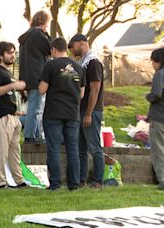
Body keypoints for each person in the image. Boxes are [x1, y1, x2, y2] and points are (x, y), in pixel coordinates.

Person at [38, 37, 85, 191]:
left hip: (53, 113)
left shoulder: (50, 65)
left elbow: (42, 90)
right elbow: (82, 94)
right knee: (72, 149)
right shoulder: (79, 67)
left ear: (53, 50)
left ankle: (55, 183)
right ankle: (73, 184)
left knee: (53, 148)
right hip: (72, 113)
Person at [0, 41, 27, 188]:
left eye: (14, 52)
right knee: (1, 151)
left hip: (13, 116)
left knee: (15, 151)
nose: (13, 55)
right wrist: (13, 86)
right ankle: (0, 182)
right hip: (1, 117)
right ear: (0, 55)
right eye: (9, 53)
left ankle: (19, 180)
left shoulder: (8, 73)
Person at [69, 34, 105, 188]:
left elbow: (95, 90)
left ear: (82, 43)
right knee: (81, 148)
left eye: (73, 46)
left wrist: (89, 113)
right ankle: (81, 180)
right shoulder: (82, 63)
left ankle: (97, 180)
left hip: (92, 111)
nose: (72, 50)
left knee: (94, 147)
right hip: (80, 110)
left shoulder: (93, 62)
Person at [18, 10, 52, 144]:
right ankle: (31, 135)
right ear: (43, 23)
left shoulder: (25, 37)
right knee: (36, 107)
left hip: (27, 75)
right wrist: (46, 33)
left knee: (35, 106)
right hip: (38, 75)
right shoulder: (38, 35)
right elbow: (51, 48)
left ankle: (35, 134)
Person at [146, 47, 164, 190]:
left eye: (153, 61)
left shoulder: (159, 74)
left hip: (159, 118)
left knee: (158, 150)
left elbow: (156, 94)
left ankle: (163, 181)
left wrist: (148, 96)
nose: (152, 64)